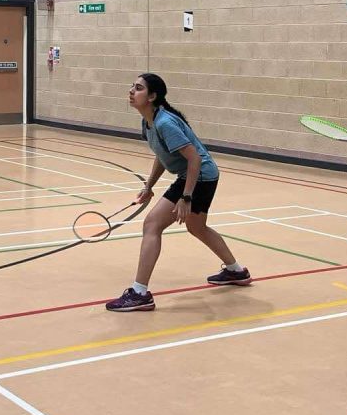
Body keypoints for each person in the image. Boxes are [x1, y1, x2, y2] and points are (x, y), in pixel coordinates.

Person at [106, 73, 251, 312]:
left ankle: (140, 293)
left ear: (152, 96)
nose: (132, 91)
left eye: (139, 88)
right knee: (197, 227)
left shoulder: (164, 123)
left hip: (200, 175)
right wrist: (149, 186)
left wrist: (186, 197)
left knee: (152, 224)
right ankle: (236, 271)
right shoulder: (149, 122)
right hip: (200, 175)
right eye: (132, 86)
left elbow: (193, 158)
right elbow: (163, 155)